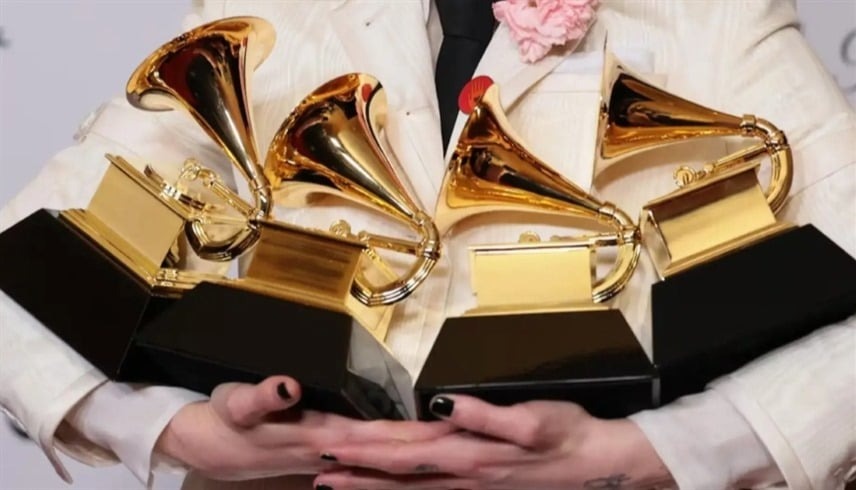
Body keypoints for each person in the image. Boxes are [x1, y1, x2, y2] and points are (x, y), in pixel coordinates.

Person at [1, 0, 853, 489]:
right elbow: (19, 275)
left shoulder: (715, 16)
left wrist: (645, 454)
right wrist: (172, 430)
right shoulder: (268, 12)